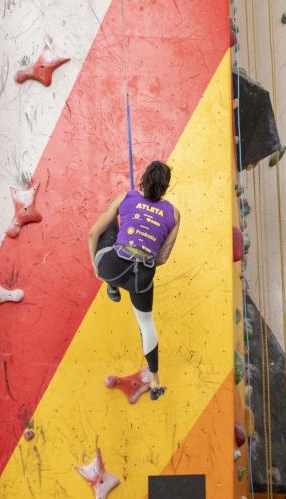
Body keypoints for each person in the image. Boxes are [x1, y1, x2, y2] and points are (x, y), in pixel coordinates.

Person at [88, 161, 181, 400]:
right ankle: (156, 380)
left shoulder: (126, 197)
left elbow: (93, 234)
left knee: (109, 228)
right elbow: (162, 258)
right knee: (146, 325)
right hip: (141, 277)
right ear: (166, 187)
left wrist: (98, 269)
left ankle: (111, 287)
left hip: (112, 268)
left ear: (143, 178)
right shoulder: (173, 214)